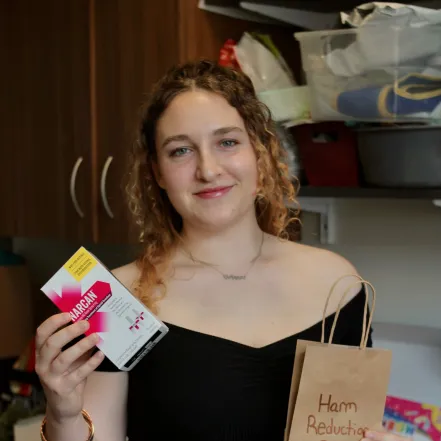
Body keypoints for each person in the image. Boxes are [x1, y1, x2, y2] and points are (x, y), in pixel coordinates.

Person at [35, 60, 407, 441]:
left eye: (227, 142)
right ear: (158, 172)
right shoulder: (113, 300)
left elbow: (347, 430)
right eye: (181, 151)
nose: (208, 170)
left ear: (260, 154)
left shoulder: (338, 285)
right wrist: (63, 414)